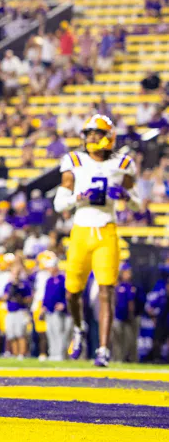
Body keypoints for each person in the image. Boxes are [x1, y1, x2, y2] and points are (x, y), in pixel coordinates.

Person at [54, 114, 140, 366]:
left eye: (97, 134)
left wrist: (123, 194)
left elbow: (136, 202)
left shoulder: (123, 163)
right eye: (89, 133)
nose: (92, 138)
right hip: (81, 230)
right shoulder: (74, 161)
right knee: (72, 293)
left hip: (107, 231)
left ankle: (103, 349)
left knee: (106, 291)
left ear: (109, 137)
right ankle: (79, 329)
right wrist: (79, 197)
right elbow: (59, 203)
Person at [41, 252, 69, 361]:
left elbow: (67, 294)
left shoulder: (62, 279)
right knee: (50, 332)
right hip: (49, 310)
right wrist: (43, 307)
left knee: (59, 332)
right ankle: (53, 353)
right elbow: (46, 296)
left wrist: (64, 304)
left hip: (59, 312)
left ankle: (60, 354)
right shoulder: (49, 280)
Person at [4, 263, 32, 359]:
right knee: (11, 334)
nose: (15, 275)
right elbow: (5, 297)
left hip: (21, 310)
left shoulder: (24, 284)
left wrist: (20, 297)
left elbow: (28, 299)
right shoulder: (9, 284)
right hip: (11, 311)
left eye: (17, 272)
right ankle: (15, 354)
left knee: (21, 333)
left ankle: (22, 354)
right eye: (14, 272)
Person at [112, 263, 138, 362]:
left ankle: (131, 359)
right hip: (118, 316)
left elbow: (131, 303)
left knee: (130, 341)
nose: (128, 274)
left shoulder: (131, 286)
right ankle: (117, 359)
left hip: (128, 318)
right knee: (117, 341)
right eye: (126, 272)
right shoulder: (116, 286)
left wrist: (131, 315)